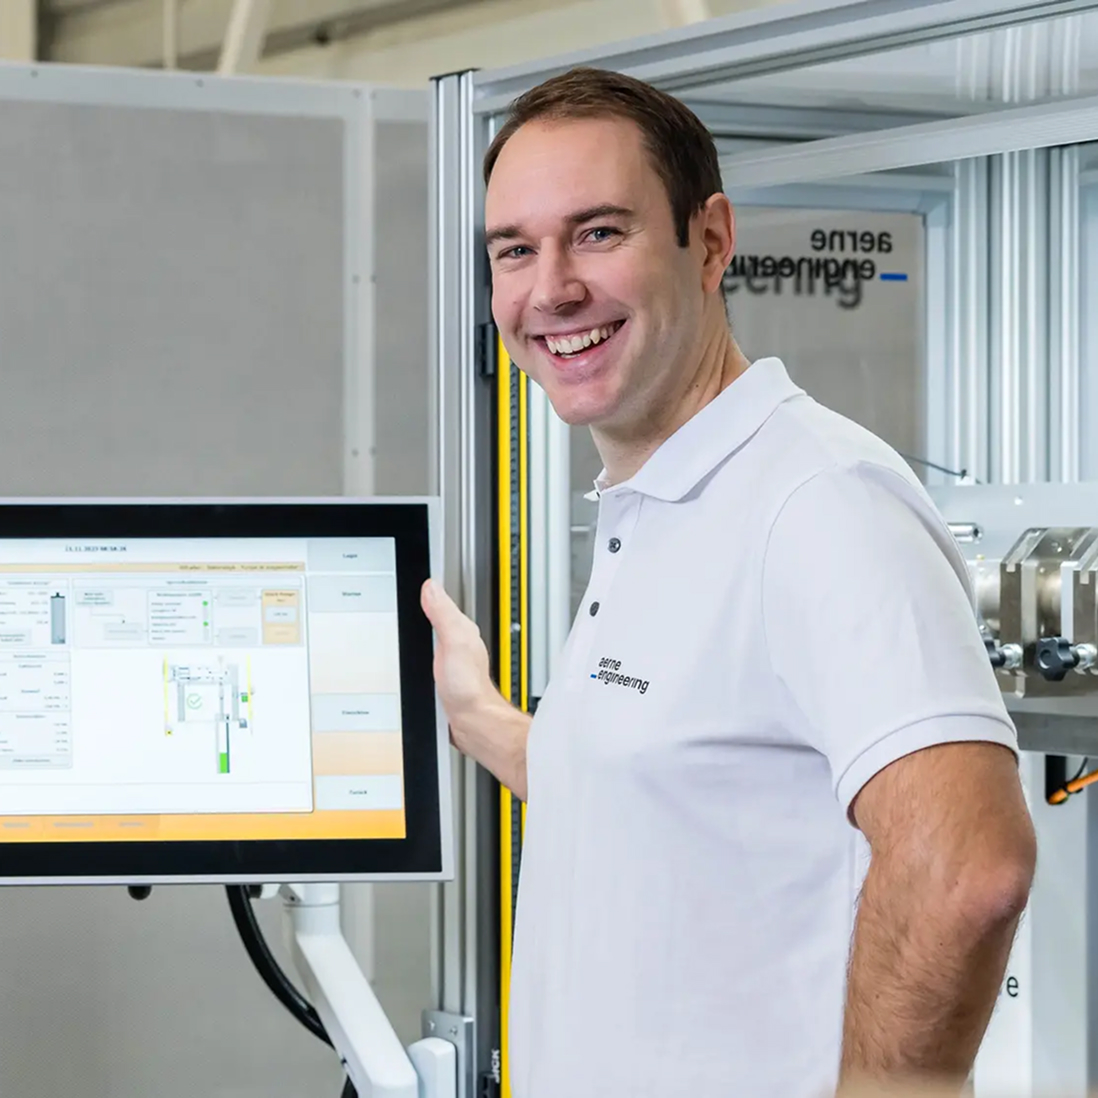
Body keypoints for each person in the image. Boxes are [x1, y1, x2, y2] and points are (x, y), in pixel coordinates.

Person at [420, 66, 1036, 1098]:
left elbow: (968, 868)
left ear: (708, 240)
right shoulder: (653, 502)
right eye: (514, 251)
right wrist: (480, 715)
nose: (551, 288)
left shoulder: (817, 502)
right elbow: (685, 790)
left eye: (599, 233)